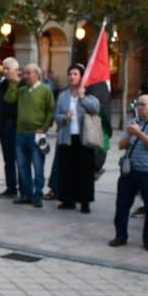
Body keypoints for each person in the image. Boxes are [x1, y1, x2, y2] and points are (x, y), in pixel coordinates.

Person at [110, 94, 148, 251]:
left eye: (143, 104)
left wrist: (139, 134)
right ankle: (120, 235)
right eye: (138, 104)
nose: (139, 107)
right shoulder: (132, 122)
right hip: (130, 171)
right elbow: (121, 145)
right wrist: (129, 134)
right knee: (122, 205)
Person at [7, 63, 56, 207]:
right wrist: (13, 84)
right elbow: (9, 99)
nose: (25, 76)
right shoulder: (21, 90)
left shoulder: (46, 90)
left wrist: (45, 128)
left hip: (37, 135)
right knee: (22, 167)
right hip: (20, 134)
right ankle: (26, 194)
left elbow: (50, 110)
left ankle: (38, 195)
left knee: (38, 166)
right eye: (24, 73)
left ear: (37, 75)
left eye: (28, 73)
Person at [54, 65, 102, 214]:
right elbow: (56, 115)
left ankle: (85, 202)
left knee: (84, 172)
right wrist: (64, 117)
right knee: (67, 170)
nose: (71, 76)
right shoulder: (63, 96)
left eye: (75, 74)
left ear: (81, 76)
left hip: (84, 139)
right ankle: (68, 200)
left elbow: (95, 109)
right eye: (69, 74)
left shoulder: (88, 94)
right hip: (67, 138)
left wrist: (82, 97)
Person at [0, 57, 21, 198]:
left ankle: (24, 188)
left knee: (21, 160)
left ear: (16, 70)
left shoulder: (22, 84)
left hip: (19, 126)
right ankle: (11, 187)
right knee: (8, 160)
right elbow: (0, 107)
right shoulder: (2, 84)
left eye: (7, 69)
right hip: (6, 127)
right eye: (3, 68)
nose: (4, 71)